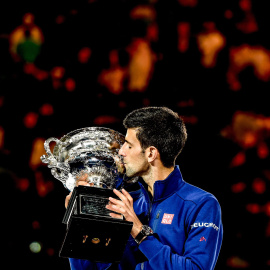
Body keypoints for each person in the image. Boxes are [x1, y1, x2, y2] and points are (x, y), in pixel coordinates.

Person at [66, 106, 223, 269]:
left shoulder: (201, 204)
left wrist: (139, 231)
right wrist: (80, 220)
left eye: (128, 145)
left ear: (151, 153)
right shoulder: (127, 204)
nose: (121, 152)